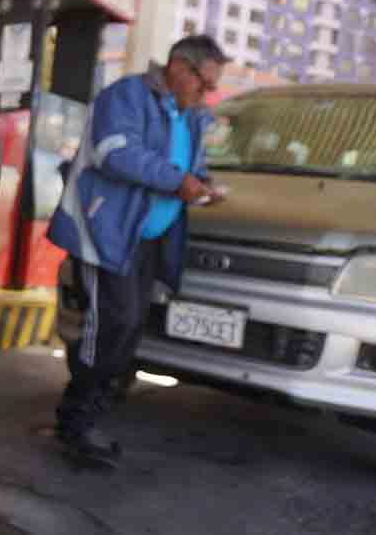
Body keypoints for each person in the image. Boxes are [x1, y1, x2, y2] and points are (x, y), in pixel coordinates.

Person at [46, 35, 229, 464]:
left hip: (148, 239)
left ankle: (93, 411)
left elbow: (186, 167)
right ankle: (75, 421)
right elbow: (116, 153)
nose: (207, 94)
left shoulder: (189, 116)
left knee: (128, 330)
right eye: (204, 83)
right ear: (180, 67)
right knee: (108, 326)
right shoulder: (127, 95)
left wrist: (201, 184)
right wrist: (177, 181)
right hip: (104, 232)